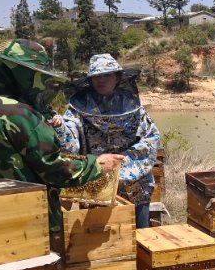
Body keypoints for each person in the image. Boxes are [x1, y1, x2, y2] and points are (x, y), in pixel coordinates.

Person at [0, 39, 125, 234]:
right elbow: (55, 169)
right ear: (22, 73)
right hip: (29, 218)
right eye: (36, 74)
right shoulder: (19, 114)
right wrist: (96, 165)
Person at [56, 54, 160, 229]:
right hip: (97, 184)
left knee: (139, 241)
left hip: (135, 187)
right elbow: (70, 144)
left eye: (107, 75)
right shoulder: (78, 107)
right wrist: (59, 128)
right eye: (96, 76)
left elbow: (150, 140)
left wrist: (120, 164)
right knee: (101, 246)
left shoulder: (133, 106)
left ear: (118, 78)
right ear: (90, 79)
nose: (101, 80)